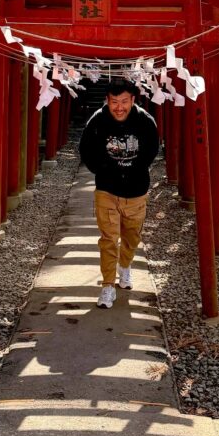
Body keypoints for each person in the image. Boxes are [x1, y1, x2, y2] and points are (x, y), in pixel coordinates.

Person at [79, 78, 159, 308]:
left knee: (132, 236)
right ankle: (107, 285)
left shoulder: (145, 121)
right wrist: (104, 170)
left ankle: (125, 265)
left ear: (133, 100)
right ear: (107, 100)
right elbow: (86, 150)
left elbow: (152, 150)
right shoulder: (97, 120)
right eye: (115, 102)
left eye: (124, 101)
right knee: (108, 239)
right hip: (107, 189)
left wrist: (134, 170)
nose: (119, 107)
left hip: (136, 189)